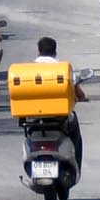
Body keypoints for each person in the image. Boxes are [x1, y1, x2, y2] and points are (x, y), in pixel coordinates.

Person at [33, 35, 86, 168]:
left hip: (35, 118)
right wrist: (83, 97)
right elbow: (78, 92)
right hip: (60, 118)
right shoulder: (63, 69)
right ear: (55, 52)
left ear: (38, 52)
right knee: (76, 136)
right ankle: (77, 165)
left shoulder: (28, 70)